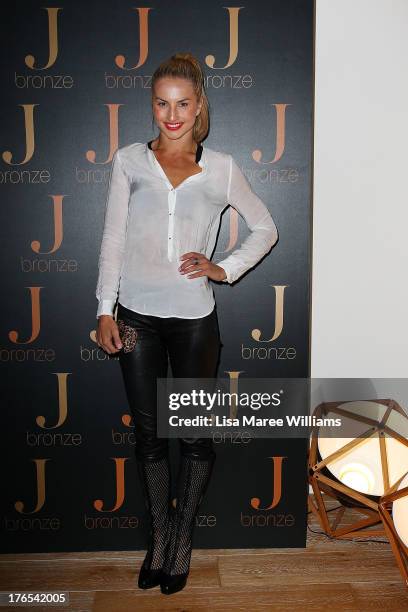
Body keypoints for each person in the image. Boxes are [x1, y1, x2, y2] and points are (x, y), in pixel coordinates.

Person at [95, 52, 278, 595]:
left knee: (194, 438)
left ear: (199, 106)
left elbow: (264, 228)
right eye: (162, 103)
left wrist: (224, 268)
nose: (171, 115)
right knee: (150, 440)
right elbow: (111, 239)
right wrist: (105, 308)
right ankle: (159, 539)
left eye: (183, 103)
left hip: (195, 319)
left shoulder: (220, 167)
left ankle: (182, 542)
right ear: (152, 105)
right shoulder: (129, 161)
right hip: (134, 318)